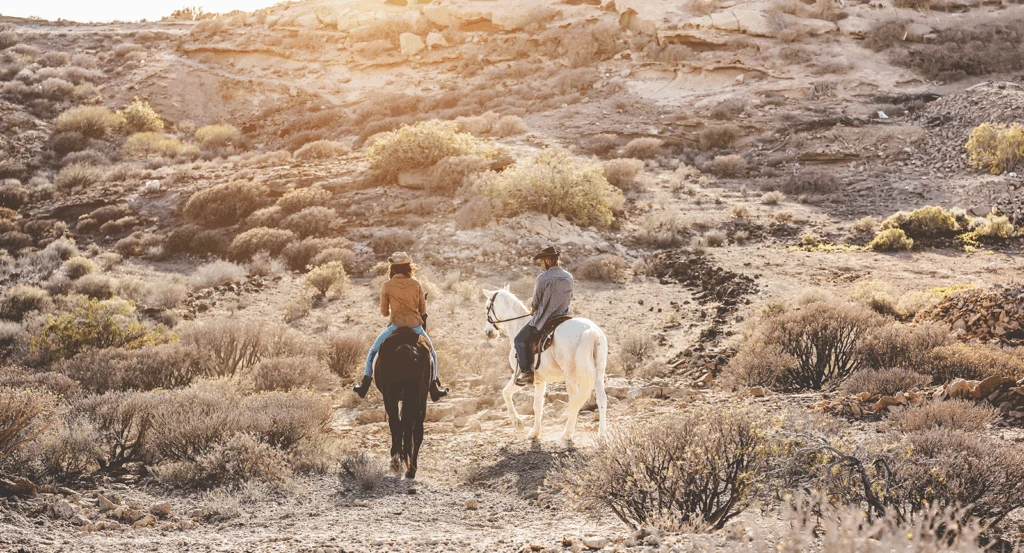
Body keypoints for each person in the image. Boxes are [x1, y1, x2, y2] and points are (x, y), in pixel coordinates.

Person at [353, 252, 448, 402]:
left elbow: (384, 312)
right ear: (408, 267)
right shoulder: (416, 284)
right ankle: (434, 387)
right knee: (433, 353)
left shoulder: (386, 285)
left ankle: (364, 385)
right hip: (415, 326)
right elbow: (423, 310)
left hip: (395, 326)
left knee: (372, 351)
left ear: (393, 268)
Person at [513, 246, 574, 386]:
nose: (541, 264)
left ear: (548, 260)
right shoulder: (569, 277)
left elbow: (536, 301)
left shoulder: (543, 278)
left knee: (519, 340)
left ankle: (527, 373)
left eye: (542, 261)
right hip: (564, 317)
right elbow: (570, 296)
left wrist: (533, 310)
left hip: (545, 319)